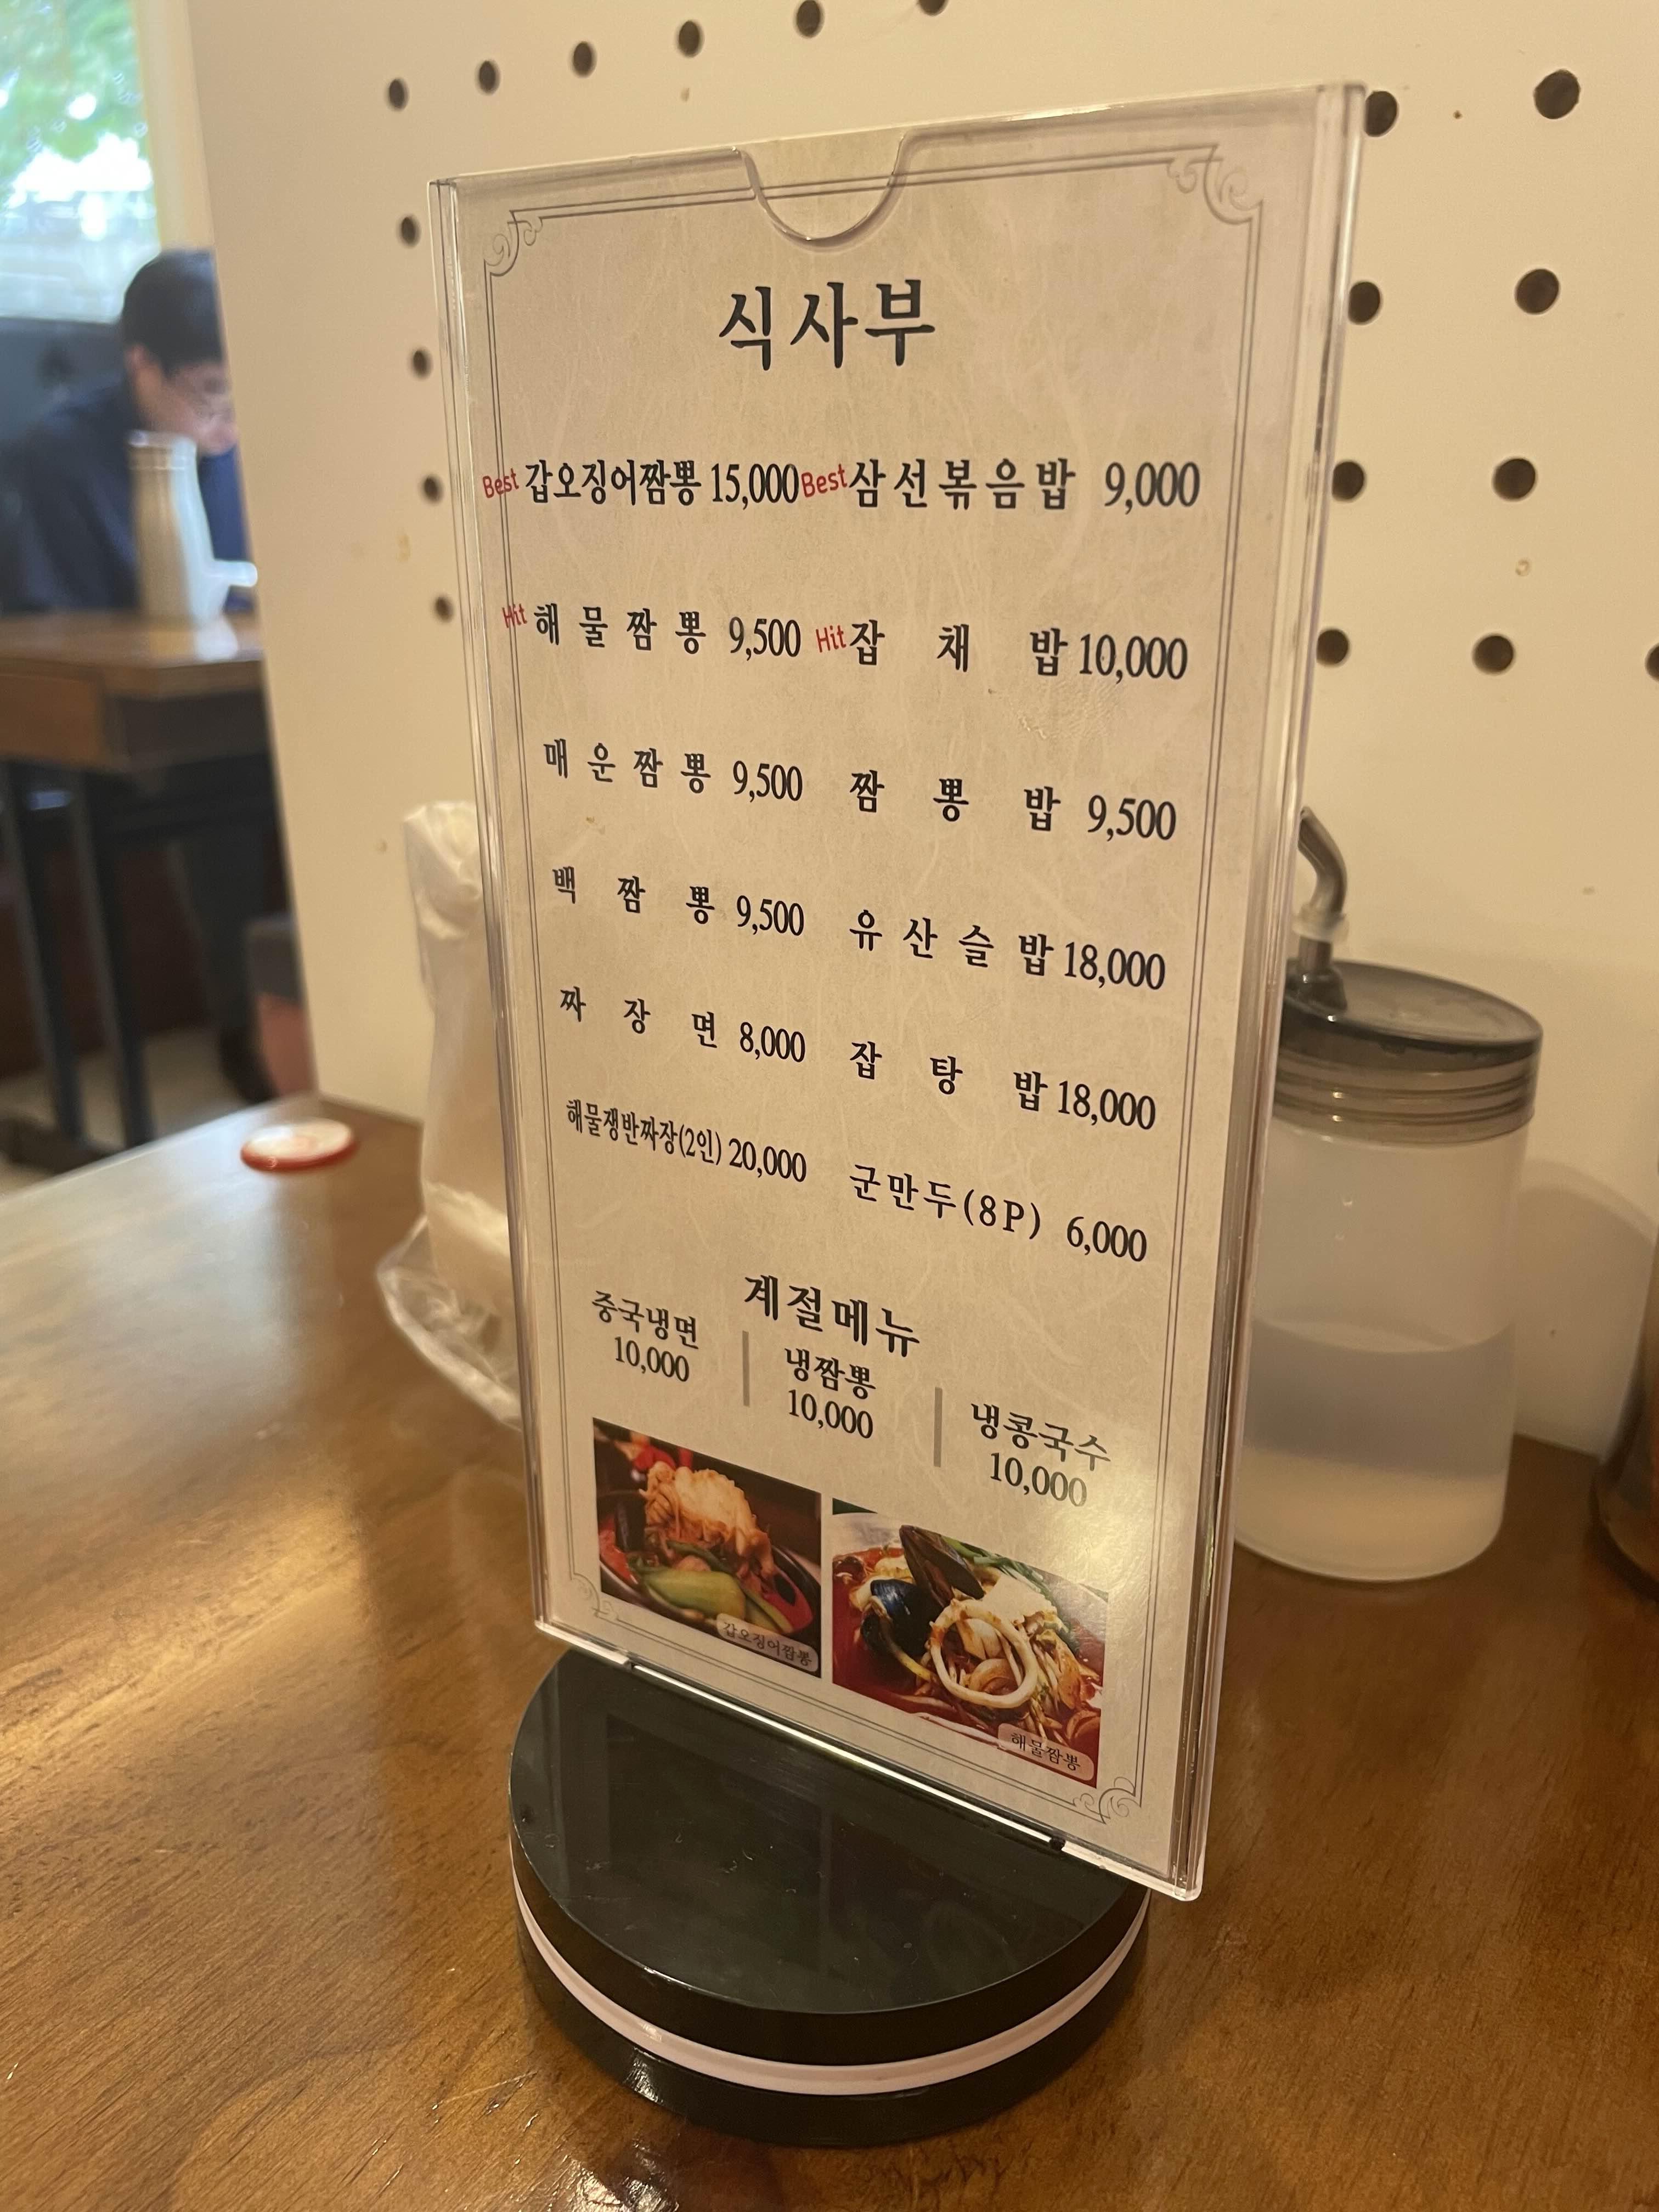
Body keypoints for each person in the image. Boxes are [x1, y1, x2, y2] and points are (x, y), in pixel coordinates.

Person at [3, 250, 275, 1102]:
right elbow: (56, 627)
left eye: (243, 395)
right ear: (141, 366)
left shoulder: (247, 446)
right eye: (209, 394)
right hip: (126, 725)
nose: (227, 422)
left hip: (238, 693)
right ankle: (247, 1029)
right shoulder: (61, 455)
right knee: (223, 776)